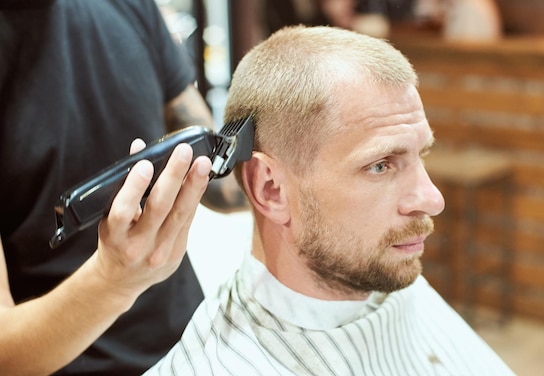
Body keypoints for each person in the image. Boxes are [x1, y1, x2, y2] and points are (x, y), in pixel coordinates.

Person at [146, 25, 515, 375]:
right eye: (381, 166)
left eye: (422, 155)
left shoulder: (385, 276)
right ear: (270, 189)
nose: (433, 199)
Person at [0, 0, 243, 374]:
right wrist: (112, 280)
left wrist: (291, 181)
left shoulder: (128, 5)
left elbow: (217, 177)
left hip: (192, 347)